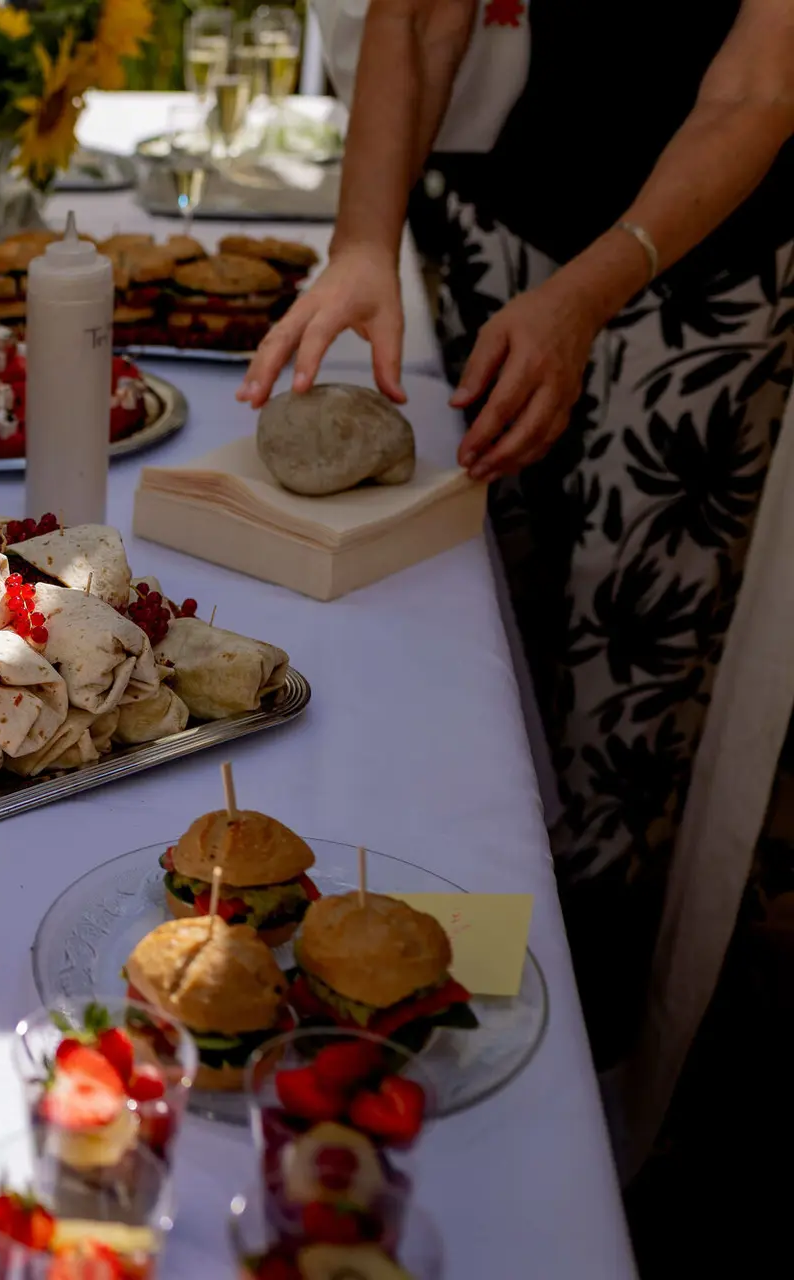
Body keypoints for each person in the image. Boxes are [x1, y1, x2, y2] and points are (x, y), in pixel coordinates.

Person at [240, 0, 794, 1065]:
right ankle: (420, 967)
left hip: (702, 268)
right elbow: (424, 17)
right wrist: (364, 239)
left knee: (621, 688)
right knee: (476, 622)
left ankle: (578, 1064)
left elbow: (757, 91)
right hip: (498, 219)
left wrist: (586, 296)